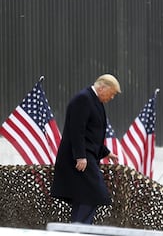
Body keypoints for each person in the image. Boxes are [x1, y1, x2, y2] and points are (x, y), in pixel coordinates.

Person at [51, 74, 121, 224]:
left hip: (87, 156)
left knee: (84, 196)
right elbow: (76, 129)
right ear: (102, 87)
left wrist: (106, 152)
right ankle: (79, 229)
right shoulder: (83, 99)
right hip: (79, 159)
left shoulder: (95, 101)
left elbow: (91, 135)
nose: (112, 97)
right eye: (112, 93)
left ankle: (78, 228)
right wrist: (80, 156)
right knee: (94, 193)